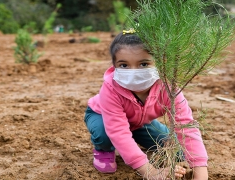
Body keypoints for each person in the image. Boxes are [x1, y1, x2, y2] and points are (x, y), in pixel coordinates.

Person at [84, 30, 208, 180]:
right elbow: (118, 131)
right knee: (104, 133)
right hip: (102, 116)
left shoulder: (168, 87)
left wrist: (200, 172)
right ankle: (103, 150)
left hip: (139, 123)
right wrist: (151, 172)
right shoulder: (110, 88)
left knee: (179, 153)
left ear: (160, 62)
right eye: (124, 65)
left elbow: (186, 125)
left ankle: (134, 139)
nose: (134, 72)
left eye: (143, 64)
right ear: (114, 65)